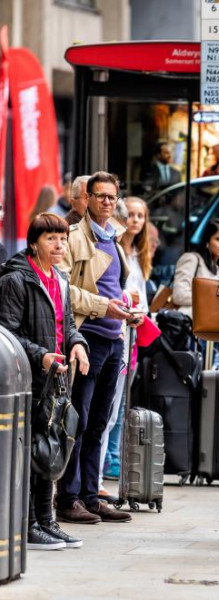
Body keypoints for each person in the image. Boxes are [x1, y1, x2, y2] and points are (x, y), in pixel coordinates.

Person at [0, 213, 90, 550]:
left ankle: (48, 522)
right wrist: (42, 355)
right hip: (28, 379)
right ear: (34, 242)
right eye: (51, 239)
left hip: (57, 380)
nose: (59, 245)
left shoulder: (61, 280)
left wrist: (78, 344)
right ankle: (28, 526)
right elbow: (6, 333)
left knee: (50, 450)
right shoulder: (16, 280)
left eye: (63, 239)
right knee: (29, 454)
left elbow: (66, 326)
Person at [56, 171, 137, 525]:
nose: (107, 202)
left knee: (100, 421)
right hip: (85, 339)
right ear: (85, 199)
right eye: (100, 196)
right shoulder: (72, 238)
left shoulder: (116, 239)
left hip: (114, 338)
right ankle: (69, 497)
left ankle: (92, 495)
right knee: (79, 418)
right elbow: (63, 291)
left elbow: (116, 289)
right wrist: (106, 306)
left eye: (111, 197)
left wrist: (128, 310)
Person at [100, 196, 152, 487]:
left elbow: (139, 295)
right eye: (130, 215)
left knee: (119, 404)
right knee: (109, 405)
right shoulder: (113, 250)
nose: (134, 221)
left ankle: (114, 455)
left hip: (132, 331)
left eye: (140, 216)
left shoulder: (138, 255)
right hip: (114, 329)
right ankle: (106, 460)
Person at [171, 218, 219, 318]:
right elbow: (178, 295)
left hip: (207, 325)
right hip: (189, 324)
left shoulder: (216, 268)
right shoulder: (192, 259)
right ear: (207, 241)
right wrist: (213, 299)